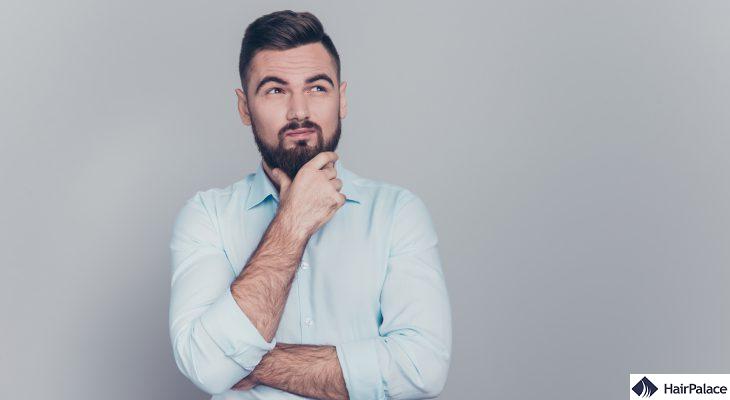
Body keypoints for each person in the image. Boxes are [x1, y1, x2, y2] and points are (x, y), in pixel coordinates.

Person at [168, 10, 452, 400]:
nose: (299, 110)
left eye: (317, 88)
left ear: (342, 99)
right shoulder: (207, 217)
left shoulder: (398, 213)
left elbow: (422, 370)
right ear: (244, 108)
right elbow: (205, 367)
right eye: (275, 90)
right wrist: (293, 223)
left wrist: (250, 361)